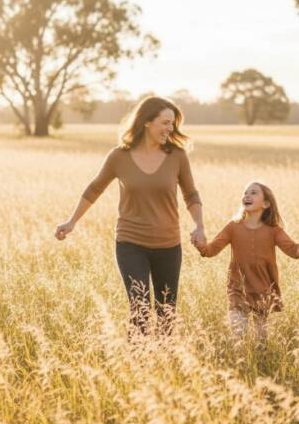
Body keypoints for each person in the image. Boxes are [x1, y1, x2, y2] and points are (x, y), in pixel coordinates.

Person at [55, 96, 205, 337]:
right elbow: (95, 189)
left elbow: (191, 195)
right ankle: (138, 362)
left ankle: (166, 363)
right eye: (165, 122)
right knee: (140, 308)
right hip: (130, 243)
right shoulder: (119, 157)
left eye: (172, 124)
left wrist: (199, 226)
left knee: (166, 310)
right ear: (147, 122)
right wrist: (71, 221)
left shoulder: (177, 156)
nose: (170, 128)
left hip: (168, 244)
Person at [194, 182, 299, 341]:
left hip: (263, 289)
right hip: (238, 289)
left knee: (261, 340)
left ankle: (260, 361)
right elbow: (210, 250)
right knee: (238, 336)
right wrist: (200, 245)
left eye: (253, 193)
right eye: (245, 193)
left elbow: (294, 251)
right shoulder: (233, 227)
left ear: (266, 203)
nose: (247, 196)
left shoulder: (274, 230)